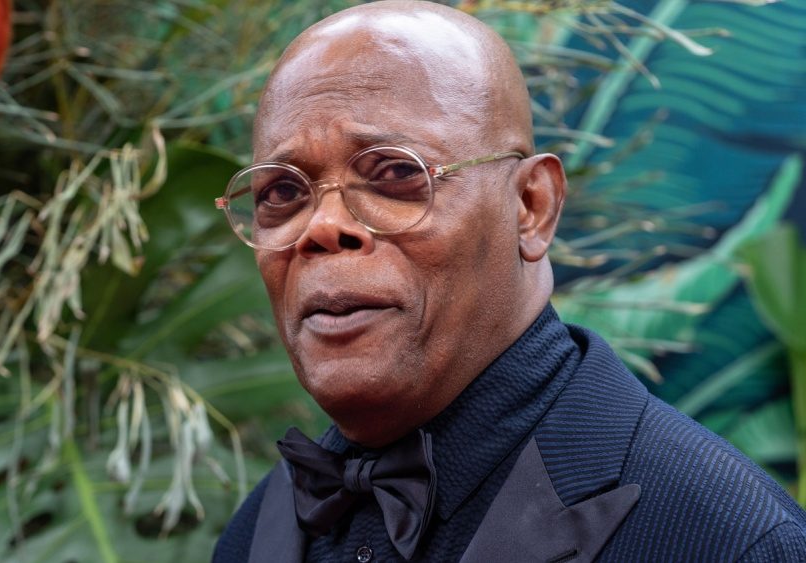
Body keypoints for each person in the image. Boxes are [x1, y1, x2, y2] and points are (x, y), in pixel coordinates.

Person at [211, 1, 806, 561]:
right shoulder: (260, 529)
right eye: (281, 192)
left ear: (530, 207)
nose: (323, 226)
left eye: (394, 173)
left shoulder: (730, 540)